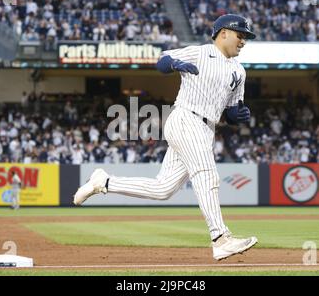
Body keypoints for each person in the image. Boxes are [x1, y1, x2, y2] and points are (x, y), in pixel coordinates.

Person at [74, 14, 258, 261]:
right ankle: (220, 238)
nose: (243, 41)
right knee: (206, 174)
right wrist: (173, 64)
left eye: (245, 37)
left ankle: (104, 182)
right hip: (186, 119)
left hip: (206, 129)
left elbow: (232, 112)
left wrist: (239, 115)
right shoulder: (201, 53)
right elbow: (162, 60)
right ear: (223, 32)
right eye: (240, 35)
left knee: (163, 189)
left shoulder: (239, 71)